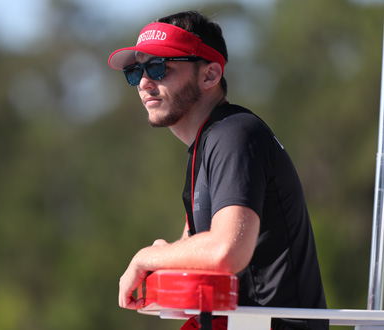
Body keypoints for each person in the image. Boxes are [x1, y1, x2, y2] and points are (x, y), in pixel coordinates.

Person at [108, 10, 328, 330]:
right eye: (135, 71)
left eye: (158, 68)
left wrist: (146, 258)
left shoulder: (234, 134)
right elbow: (201, 256)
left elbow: (226, 251)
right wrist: (168, 254)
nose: (143, 82)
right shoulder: (208, 144)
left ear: (210, 76)